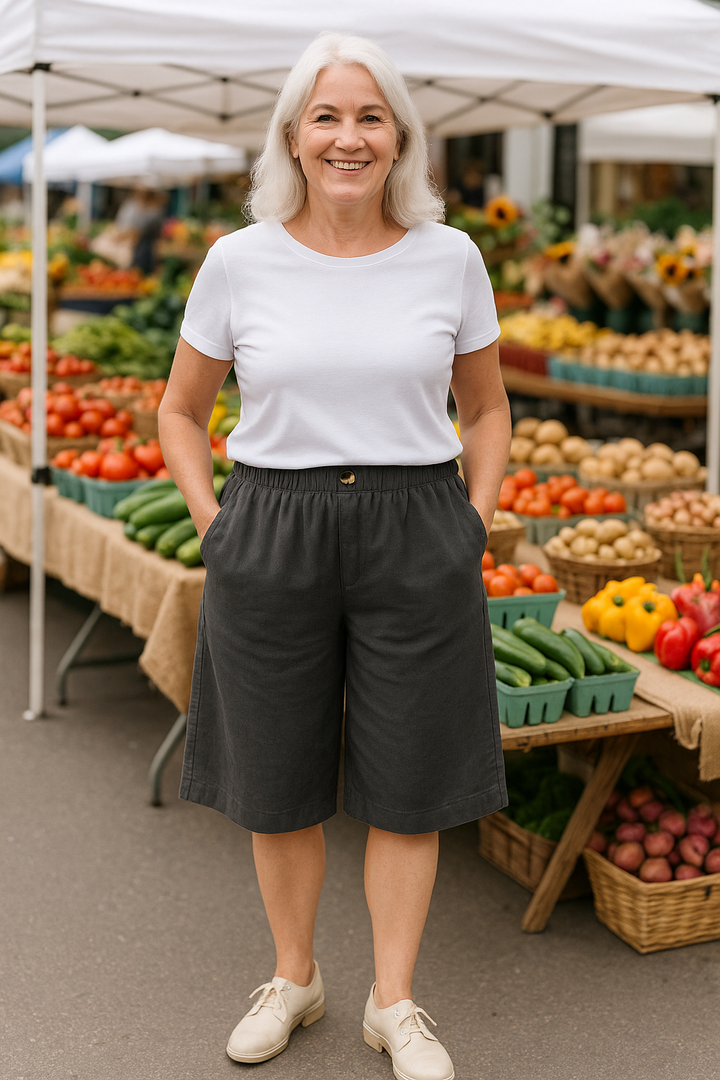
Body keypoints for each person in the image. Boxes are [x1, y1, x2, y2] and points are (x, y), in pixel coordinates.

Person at [158, 31, 510, 1080]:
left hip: (419, 523)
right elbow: (180, 412)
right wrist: (217, 522)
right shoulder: (238, 259)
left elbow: (487, 410)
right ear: (293, 137)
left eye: (369, 116)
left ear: (399, 136)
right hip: (271, 522)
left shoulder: (451, 257)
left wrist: (474, 520)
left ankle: (394, 1002)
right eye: (326, 116)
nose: (348, 137)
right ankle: (295, 976)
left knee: (414, 777)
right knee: (279, 773)